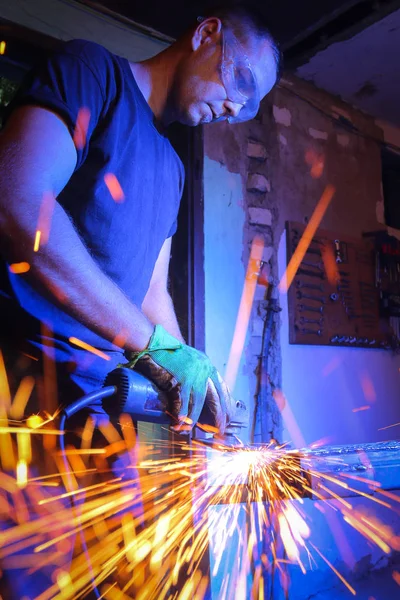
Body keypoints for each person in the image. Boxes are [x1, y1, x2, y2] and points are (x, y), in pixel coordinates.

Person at [0, 5, 281, 436]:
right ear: (206, 34)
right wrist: (153, 346)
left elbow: (150, 293)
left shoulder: (173, 169)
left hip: (97, 398)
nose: (232, 106)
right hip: (19, 381)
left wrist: (192, 372)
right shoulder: (91, 74)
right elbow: (18, 200)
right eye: (240, 80)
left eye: (245, 106)